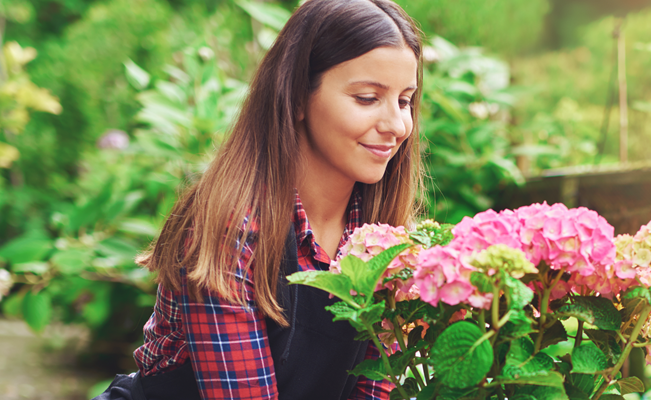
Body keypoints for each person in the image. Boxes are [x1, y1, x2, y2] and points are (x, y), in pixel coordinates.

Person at [93, 0, 424, 399]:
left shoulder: (382, 241)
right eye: (368, 98)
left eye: (405, 100)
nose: (396, 125)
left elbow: (376, 388)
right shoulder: (230, 227)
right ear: (298, 97)